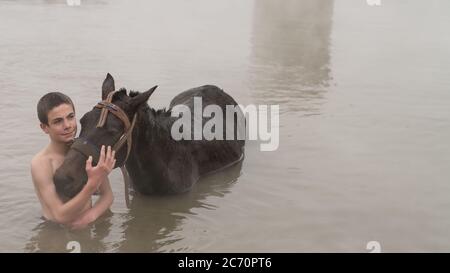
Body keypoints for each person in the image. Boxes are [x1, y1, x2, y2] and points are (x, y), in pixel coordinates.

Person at [30, 92, 115, 230]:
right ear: (44, 127)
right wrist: (92, 184)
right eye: (58, 121)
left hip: (85, 230)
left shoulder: (86, 151)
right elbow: (59, 215)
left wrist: (89, 217)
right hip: (56, 235)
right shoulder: (41, 163)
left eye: (70, 117)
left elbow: (108, 195)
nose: (68, 125)